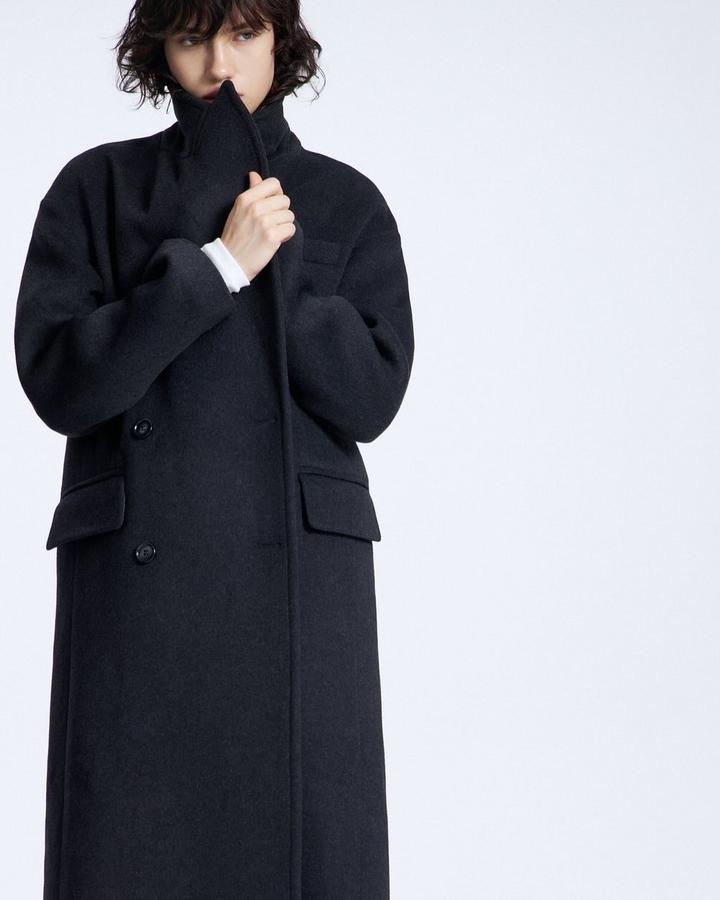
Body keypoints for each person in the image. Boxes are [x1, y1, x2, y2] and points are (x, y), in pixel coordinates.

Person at [14, 2, 414, 898]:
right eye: (193, 37)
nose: (219, 66)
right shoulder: (96, 190)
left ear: (282, 42)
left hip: (299, 593)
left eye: (243, 34)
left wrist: (277, 270)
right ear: (159, 48)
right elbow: (61, 384)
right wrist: (217, 268)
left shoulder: (345, 201)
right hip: (141, 590)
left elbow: (372, 397)